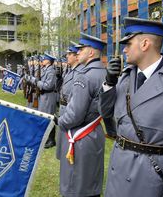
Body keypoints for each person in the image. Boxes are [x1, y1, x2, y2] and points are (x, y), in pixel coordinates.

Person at [98, 17, 163, 197]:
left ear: (145, 44)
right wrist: (109, 84)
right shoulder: (126, 76)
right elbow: (106, 114)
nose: (124, 49)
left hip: (148, 179)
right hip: (118, 170)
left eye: (128, 43)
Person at [57, 33, 106, 197]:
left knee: (75, 185)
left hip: (80, 136)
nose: (78, 52)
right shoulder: (105, 73)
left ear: (91, 52)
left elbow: (74, 115)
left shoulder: (84, 76)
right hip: (95, 132)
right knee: (91, 182)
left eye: (82, 49)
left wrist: (60, 122)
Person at [26, 53, 57, 148]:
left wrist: (36, 81)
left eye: (44, 59)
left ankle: (51, 140)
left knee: (49, 117)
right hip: (43, 96)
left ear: (48, 61)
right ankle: (47, 138)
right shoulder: (45, 69)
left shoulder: (51, 71)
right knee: (44, 117)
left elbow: (48, 86)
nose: (42, 60)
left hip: (48, 96)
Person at [56, 42, 80, 160]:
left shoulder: (79, 73)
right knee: (63, 140)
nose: (67, 56)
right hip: (63, 108)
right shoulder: (70, 70)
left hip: (69, 109)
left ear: (76, 56)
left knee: (67, 139)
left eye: (70, 54)